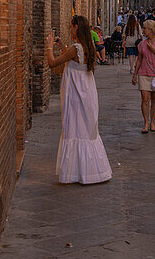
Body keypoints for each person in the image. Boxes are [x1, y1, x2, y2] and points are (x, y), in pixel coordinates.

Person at [46, 16, 112, 185]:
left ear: (76, 27)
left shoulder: (75, 48)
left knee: (74, 128)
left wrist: (49, 46)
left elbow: (53, 63)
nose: (70, 30)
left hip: (75, 95)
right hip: (87, 92)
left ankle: (76, 172)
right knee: (87, 130)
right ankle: (93, 171)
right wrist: (62, 47)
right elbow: (74, 60)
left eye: (71, 27)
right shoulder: (87, 47)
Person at [133, 19, 155, 133]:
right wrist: (134, 74)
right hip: (143, 73)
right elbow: (139, 60)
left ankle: (152, 122)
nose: (143, 30)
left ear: (151, 30)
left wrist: (153, 50)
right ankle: (146, 123)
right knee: (145, 99)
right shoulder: (142, 44)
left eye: (145, 28)